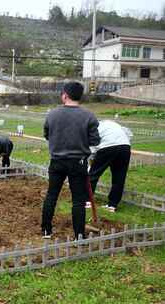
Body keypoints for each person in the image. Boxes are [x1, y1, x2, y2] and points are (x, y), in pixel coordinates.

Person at [41, 82, 100, 240]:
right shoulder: (89, 116)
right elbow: (95, 141)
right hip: (78, 162)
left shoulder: (52, 114)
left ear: (65, 95)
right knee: (78, 200)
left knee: (52, 195)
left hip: (57, 161)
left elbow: (47, 134)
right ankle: (79, 235)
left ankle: (46, 230)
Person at [89, 120, 132, 213]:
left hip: (108, 147)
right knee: (119, 177)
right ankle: (112, 205)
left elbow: (92, 148)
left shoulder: (93, 129)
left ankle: (87, 201)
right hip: (125, 147)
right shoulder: (112, 123)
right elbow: (129, 134)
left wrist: (91, 165)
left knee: (93, 175)